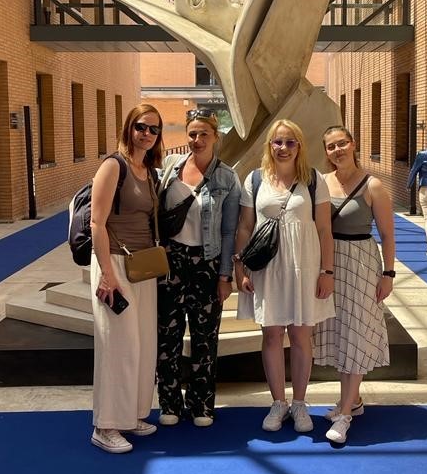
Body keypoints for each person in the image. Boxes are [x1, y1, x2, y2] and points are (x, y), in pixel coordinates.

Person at [234, 119, 335, 433]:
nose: (283, 148)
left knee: (301, 336)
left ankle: (300, 403)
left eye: (290, 142)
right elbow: (245, 227)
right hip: (268, 269)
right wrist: (239, 268)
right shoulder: (255, 180)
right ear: (269, 145)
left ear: (299, 146)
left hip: (304, 267)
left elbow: (324, 230)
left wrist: (327, 271)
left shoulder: (314, 179)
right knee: (272, 335)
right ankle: (278, 402)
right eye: (277, 142)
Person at [156, 107, 241, 427]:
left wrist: (225, 275)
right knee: (168, 336)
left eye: (204, 133)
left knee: (205, 338)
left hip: (207, 263)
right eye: (192, 133)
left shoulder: (227, 177)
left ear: (216, 136)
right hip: (171, 263)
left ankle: (202, 404)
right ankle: (169, 403)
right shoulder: (171, 167)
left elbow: (229, 231)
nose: (197, 139)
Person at [89, 103, 165, 453]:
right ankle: (105, 425)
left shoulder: (148, 170)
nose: (146, 134)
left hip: (141, 265)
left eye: (153, 129)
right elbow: (97, 222)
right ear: (129, 128)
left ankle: (131, 415)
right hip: (115, 265)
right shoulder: (113, 165)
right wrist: (107, 274)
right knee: (118, 346)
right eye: (141, 127)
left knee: (142, 344)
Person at [315, 126, 396, 444]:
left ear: (353, 144)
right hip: (329, 261)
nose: (337, 150)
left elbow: (387, 234)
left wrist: (388, 274)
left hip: (361, 262)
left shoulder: (373, 185)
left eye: (342, 143)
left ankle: (345, 413)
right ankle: (353, 400)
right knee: (340, 332)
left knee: (356, 331)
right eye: (331, 146)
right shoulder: (322, 182)